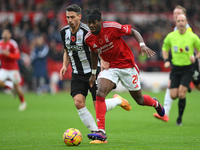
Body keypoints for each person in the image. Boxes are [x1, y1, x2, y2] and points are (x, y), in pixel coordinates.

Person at [84, 8, 165, 142]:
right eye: (89, 23)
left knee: (140, 101)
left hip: (127, 66)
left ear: (100, 21)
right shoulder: (89, 38)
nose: (91, 25)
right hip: (111, 68)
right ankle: (101, 131)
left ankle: (155, 103)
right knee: (100, 93)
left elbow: (133, 31)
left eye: (94, 22)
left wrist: (142, 44)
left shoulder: (112, 27)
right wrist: (93, 73)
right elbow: (93, 52)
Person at [59, 4, 131, 144]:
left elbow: (98, 47)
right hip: (77, 73)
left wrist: (103, 61)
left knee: (98, 105)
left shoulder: (88, 31)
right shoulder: (64, 32)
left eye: (72, 17)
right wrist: (64, 65)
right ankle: (96, 133)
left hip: (93, 71)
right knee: (78, 103)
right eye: (67, 17)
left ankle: (118, 101)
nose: (70, 20)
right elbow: (67, 50)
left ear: (80, 17)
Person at [153, 5, 200, 125]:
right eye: (177, 19)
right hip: (176, 67)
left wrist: (195, 57)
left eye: (182, 19)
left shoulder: (190, 34)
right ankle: (184, 89)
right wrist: (166, 60)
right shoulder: (172, 34)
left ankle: (176, 118)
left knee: (183, 92)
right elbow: (165, 48)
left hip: (189, 67)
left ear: (186, 20)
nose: (180, 22)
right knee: (174, 94)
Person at [0, 29, 27, 111]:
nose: (5, 35)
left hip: (13, 69)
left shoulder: (13, 44)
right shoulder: (0, 43)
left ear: (10, 35)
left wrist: (9, 54)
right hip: (4, 68)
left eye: (6, 33)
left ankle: (23, 103)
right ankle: (10, 86)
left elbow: (18, 56)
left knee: (17, 86)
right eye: (4, 33)